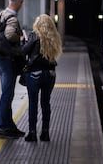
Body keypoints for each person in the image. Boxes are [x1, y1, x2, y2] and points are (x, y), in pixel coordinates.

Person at [21, 14, 62, 142]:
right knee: (46, 103)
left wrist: (24, 41)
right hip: (50, 74)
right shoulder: (54, 37)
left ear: (37, 25)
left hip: (34, 73)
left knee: (33, 103)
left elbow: (24, 51)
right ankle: (45, 133)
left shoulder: (34, 35)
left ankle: (32, 133)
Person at [0, 0, 26, 139]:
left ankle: (9, 126)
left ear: (9, 0)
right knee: (7, 95)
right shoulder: (12, 18)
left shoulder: (1, 14)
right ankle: (2, 128)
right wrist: (20, 37)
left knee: (8, 93)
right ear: (19, 3)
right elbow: (9, 35)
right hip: (7, 61)